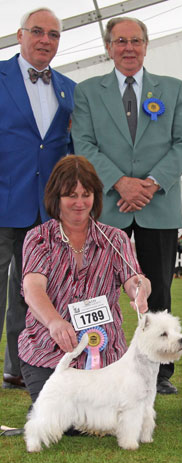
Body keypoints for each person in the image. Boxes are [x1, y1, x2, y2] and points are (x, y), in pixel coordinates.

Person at [71, 17, 182, 394]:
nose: (128, 48)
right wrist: (120, 183)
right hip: (109, 208)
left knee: (157, 290)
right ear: (108, 47)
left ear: (146, 45)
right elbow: (85, 144)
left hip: (158, 207)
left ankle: (158, 375)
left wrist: (151, 184)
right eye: (120, 41)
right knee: (98, 289)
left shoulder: (173, 89)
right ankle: (97, 364)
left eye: (136, 41)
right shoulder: (88, 91)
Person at [18, 155, 151, 404]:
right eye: (71, 195)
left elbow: (135, 279)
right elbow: (32, 288)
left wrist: (140, 289)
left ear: (96, 197)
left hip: (107, 357)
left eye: (86, 194)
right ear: (56, 198)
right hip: (48, 353)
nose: (79, 203)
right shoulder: (38, 238)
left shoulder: (115, 238)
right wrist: (55, 323)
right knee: (68, 422)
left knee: (99, 418)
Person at [0, 8, 76, 390]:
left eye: (54, 35)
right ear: (19, 35)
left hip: (45, 211)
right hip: (2, 202)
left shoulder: (69, 88)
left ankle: (18, 366)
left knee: (32, 290)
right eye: (38, 32)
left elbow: (67, 148)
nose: (46, 40)